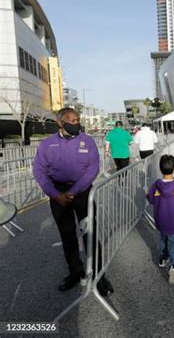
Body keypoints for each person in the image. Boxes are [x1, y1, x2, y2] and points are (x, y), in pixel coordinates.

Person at [33, 108, 114, 296]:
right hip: (58, 194)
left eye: (78, 120)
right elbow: (39, 170)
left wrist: (73, 191)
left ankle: (99, 276)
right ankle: (75, 272)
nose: (76, 123)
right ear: (60, 123)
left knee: (90, 234)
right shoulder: (47, 144)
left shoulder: (88, 141)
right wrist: (55, 194)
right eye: (72, 120)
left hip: (82, 192)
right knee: (67, 235)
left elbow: (93, 168)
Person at [146, 155, 174, 285]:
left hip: (160, 219)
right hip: (173, 219)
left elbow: (150, 199)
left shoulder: (156, 185)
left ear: (161, 170)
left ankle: (163, 258)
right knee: (173, 242)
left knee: (163, 239)